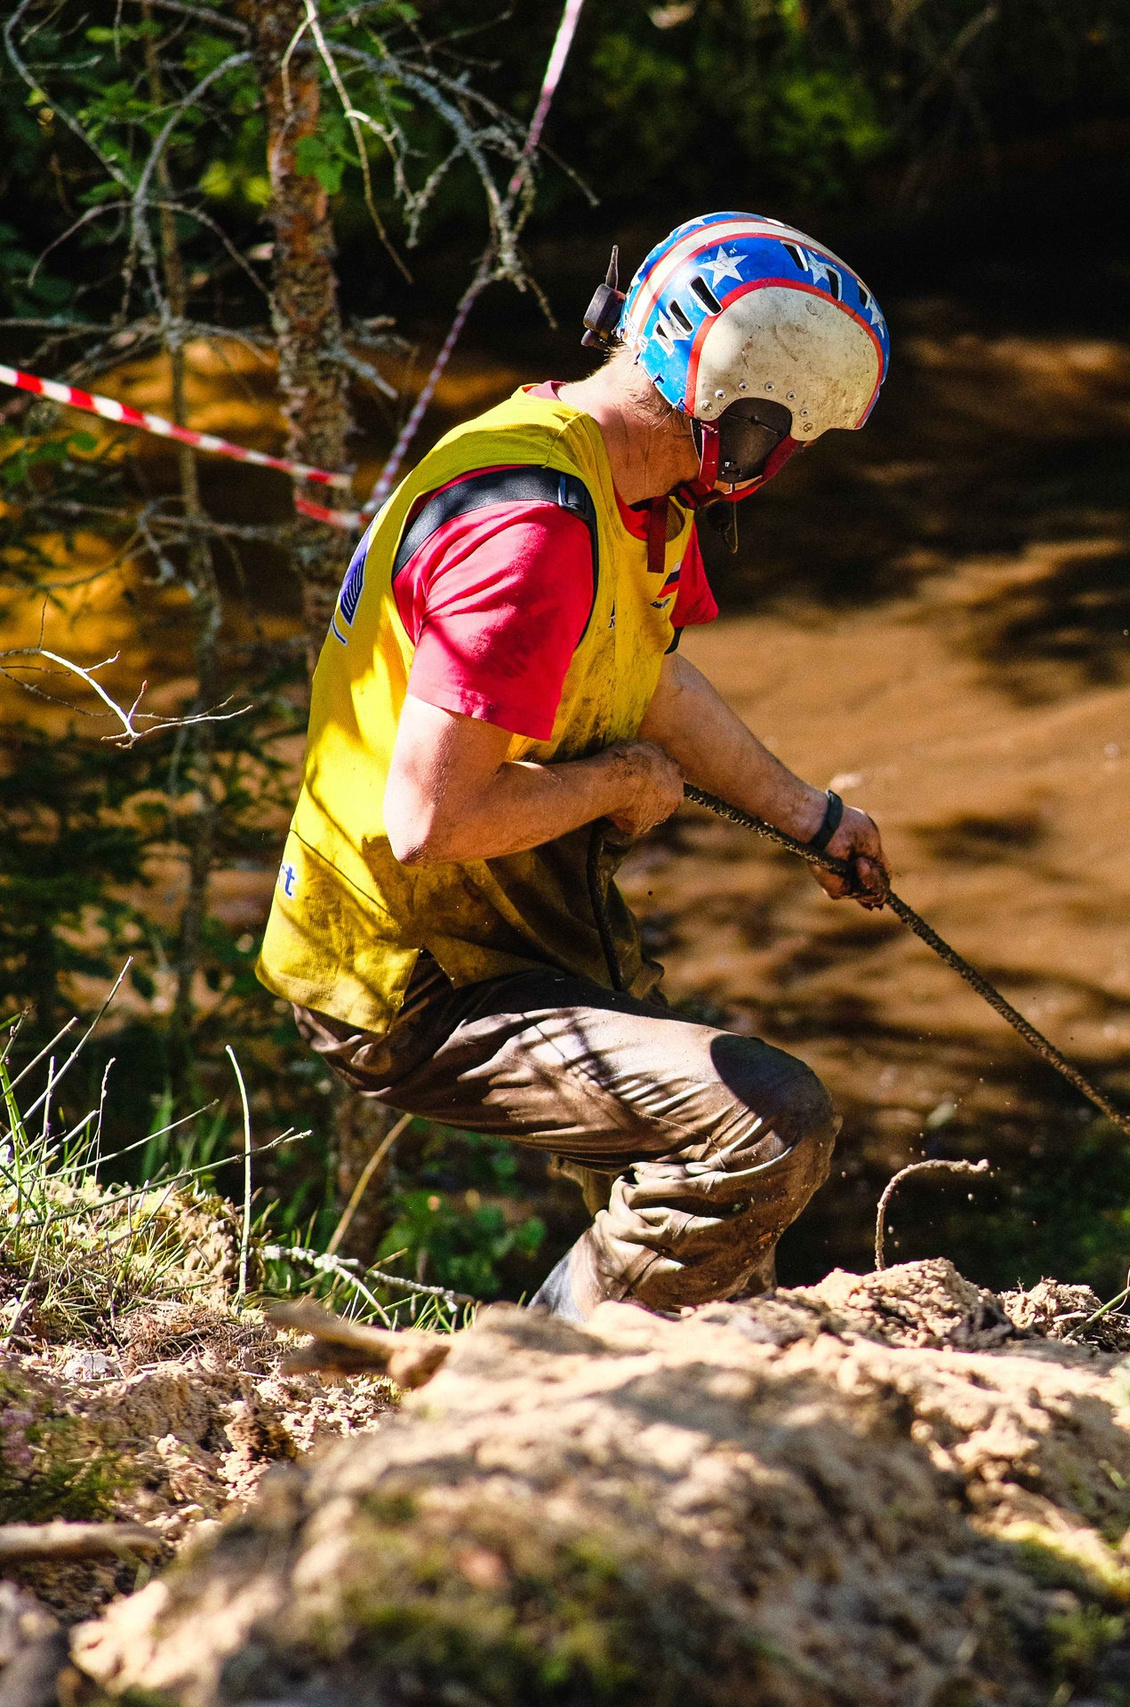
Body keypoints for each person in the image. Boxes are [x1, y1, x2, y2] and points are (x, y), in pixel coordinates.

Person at [256, 213, 892, 1320]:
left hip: (509, 933)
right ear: (750, 422)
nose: (782, 471)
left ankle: (683, 1411)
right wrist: (618, 785)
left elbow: (647, 674)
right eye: (791, 445)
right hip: (419, 978)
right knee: (765, 1126)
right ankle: (513, 1393)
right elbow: (430, 822)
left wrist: (813, 819)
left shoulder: (628, 480)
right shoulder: (536, 535)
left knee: (719, 1226)